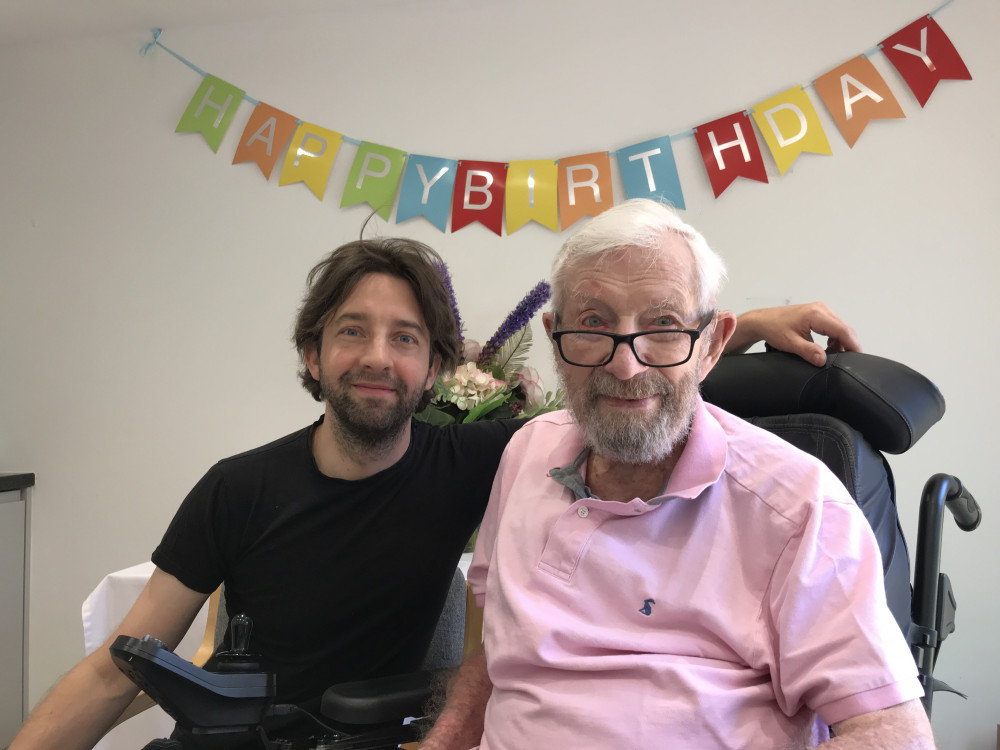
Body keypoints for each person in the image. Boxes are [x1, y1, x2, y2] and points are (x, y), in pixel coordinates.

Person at [10, 234, 859, 750]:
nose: (379, 355)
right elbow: (115, 673)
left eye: (406, 338)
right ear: (312, 356)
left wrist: (733, 329)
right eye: (352, 331)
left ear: (435, 368)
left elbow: (612, 385)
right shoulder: (236, 488)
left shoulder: (486, 461)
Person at [421, 199, 932, 750]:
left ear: (710, 345)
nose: (626, 365)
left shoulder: (799, 507)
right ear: (555, 339)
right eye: (593, 323)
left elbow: (892, 734)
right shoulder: (526, 454)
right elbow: (494, 654)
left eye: (663, 325)